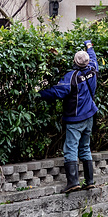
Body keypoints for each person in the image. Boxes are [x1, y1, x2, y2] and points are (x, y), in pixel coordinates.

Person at [40, 40, 98, 193]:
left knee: (70, 148)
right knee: (85, 147)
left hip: (76, 117)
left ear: (74, 62)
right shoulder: (93, 68)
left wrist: (38, 95)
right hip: (89, 115)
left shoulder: (71, 77)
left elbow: (57, 92)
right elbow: (93, 57)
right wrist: (89, 45)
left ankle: (73, 182)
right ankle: (89, 181)